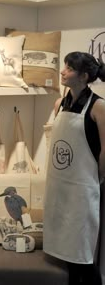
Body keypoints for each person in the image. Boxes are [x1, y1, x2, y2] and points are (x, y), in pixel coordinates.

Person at [43, 51, 105, 285]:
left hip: (84, 188)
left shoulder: (99, 107)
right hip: (60, 187)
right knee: (67, 251)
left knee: (84, 254)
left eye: (69, 68)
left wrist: (96, 178)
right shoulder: (59, 104)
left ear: (84, 76)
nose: (62, 71)